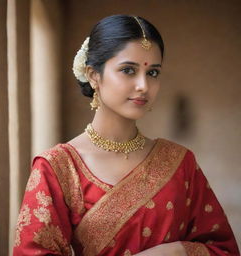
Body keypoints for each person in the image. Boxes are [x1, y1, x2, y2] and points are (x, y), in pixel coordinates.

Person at [13, 14, 240, 256]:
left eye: (153, 73)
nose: (143, 85)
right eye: (128, 70)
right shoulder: (58, 168)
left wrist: (176, 252)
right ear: (93, 75)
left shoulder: (180, 163)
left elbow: (224, 250)